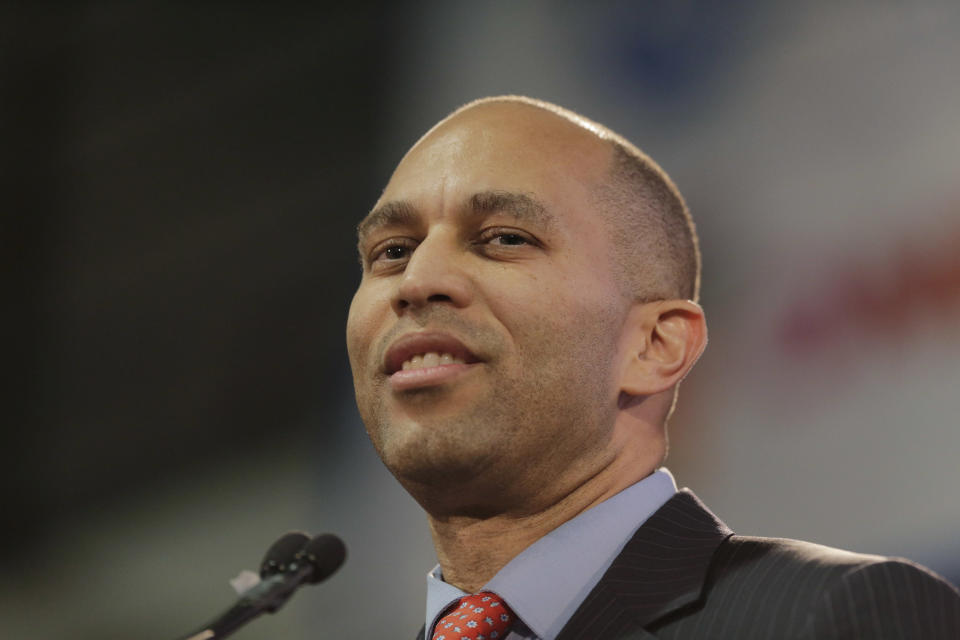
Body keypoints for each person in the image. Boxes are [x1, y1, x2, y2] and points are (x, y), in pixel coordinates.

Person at [345, 95, 960, 639]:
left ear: (656, 346)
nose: (418, 280)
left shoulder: (833, 618)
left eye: (504, 238)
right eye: (392, 252)